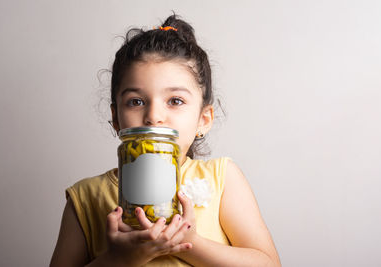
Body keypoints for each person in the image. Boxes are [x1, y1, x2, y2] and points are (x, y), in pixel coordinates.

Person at [50, 14, 281, 267]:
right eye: (136, 102)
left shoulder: (223, 179)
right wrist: (119, 259)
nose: (154, 117)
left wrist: (189, 243)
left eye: (175, 101)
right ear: (116, 117)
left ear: (203, 119)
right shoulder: (86, 197)